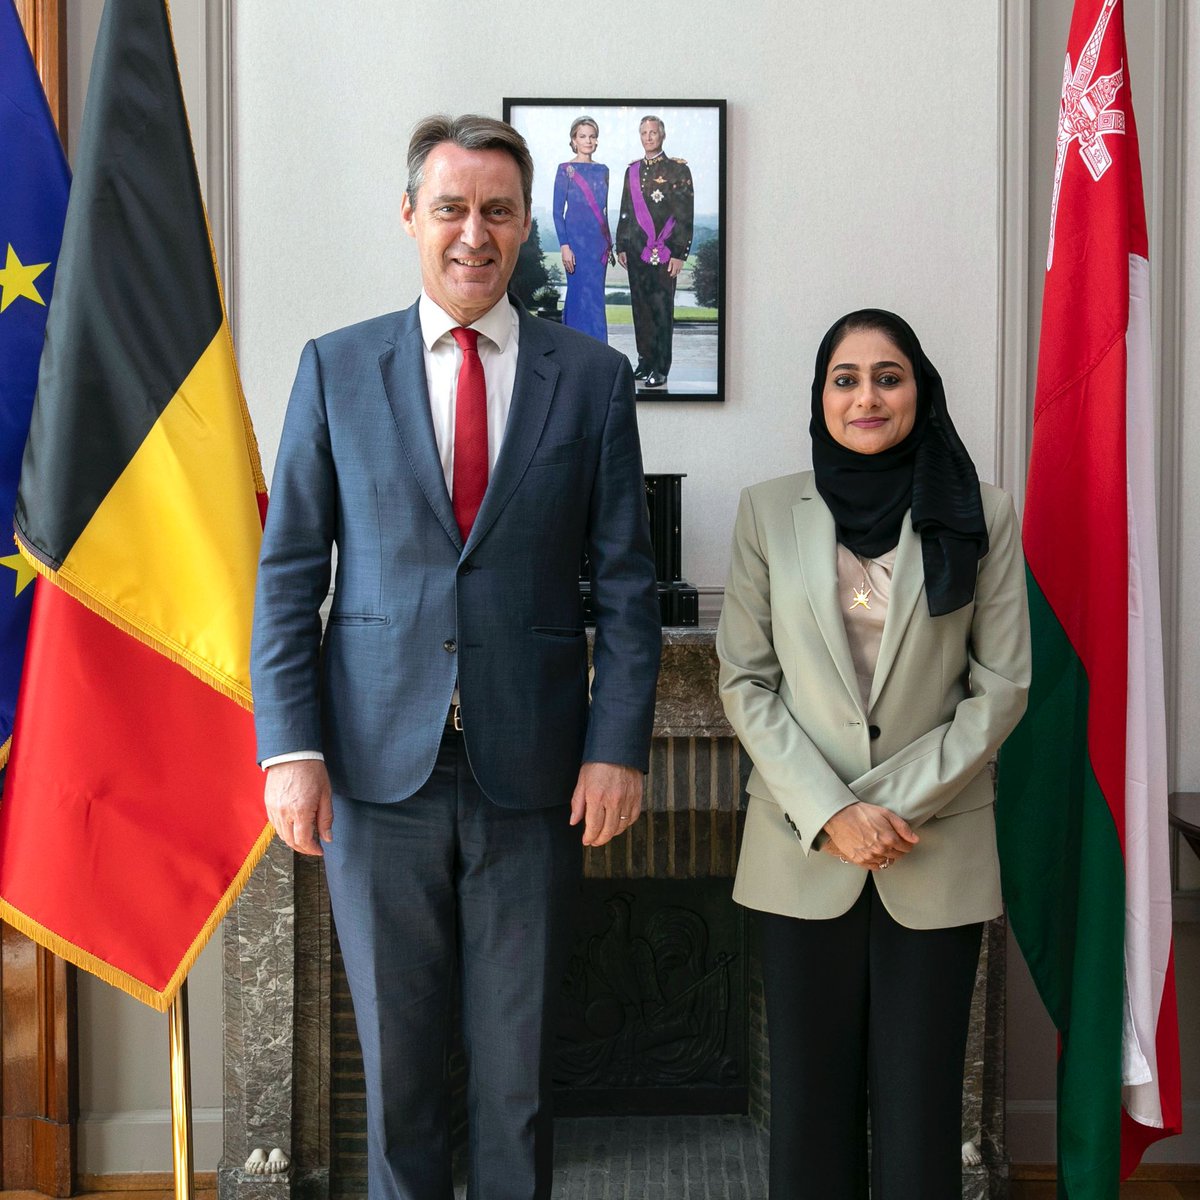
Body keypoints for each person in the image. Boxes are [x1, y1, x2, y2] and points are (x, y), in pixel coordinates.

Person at [250, 114, 661, 1200]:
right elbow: (290, 571)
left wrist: (618, 746)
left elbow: (624, 586)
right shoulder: (336, 369)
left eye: (497, 211)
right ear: (410, 217)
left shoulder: (593, 378)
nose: (473, 233)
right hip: (374, 776)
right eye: (451, 208)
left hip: (534, 778)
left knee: (520, 1079)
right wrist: (287, 747)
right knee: (401, 1074)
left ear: (528, 228)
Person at [716, 309, 1030, 1199]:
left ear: (920, 391)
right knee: (808, 1112)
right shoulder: (768, 512)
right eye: (845, 378)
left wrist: (887, 808)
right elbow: (745, 681)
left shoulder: (984, 513)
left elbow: (1000, 687)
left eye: (888, 376)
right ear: (820, 398)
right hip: (799, 847)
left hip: (934, 848)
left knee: (918, 1111)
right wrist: (834, 813)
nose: (867, 396)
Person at [615, 115, 693, 389]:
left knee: (661, 308)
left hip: (665, 248)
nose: (649, 137)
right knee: (641, 308)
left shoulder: (677, 170)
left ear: (662, 135)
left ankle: (661, 367)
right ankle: (645, 361)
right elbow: (625, 210)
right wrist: (621, 245)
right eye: (644, 132)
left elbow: (685, 214)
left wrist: (680, 254)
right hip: (636, 251)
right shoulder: (632, 171)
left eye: (653, 132)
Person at [552, 116, 613, 342]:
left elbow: (603, 211)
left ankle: (599, 350)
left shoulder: (604, 170)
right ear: (574, 140)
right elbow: (557, 212)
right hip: (575, 245)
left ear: (597, 141)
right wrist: (564, 246)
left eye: (592, 136)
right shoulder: (565, 169)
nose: (588, 141)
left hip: (598, 246)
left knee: (596, 297)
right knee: (577, 295)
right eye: (583, 136)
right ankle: (574, 347)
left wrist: (609, 244)